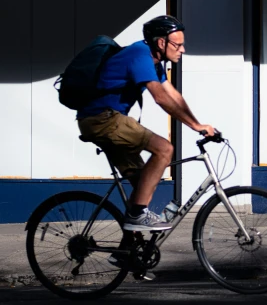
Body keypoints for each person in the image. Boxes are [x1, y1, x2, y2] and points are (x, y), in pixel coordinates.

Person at [77, 15, 215, 231]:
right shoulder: (140, 55)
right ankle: (136, 216)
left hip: (105, 120)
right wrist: (195, 127)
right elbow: (160, 97)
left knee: (143, 184)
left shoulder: (154, 61)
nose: (183, 49)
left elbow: (174, 96)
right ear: (162, 43)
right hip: (101, 119)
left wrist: (200, 124)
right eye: (178, 45)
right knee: (164, 149)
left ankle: (128, 250)